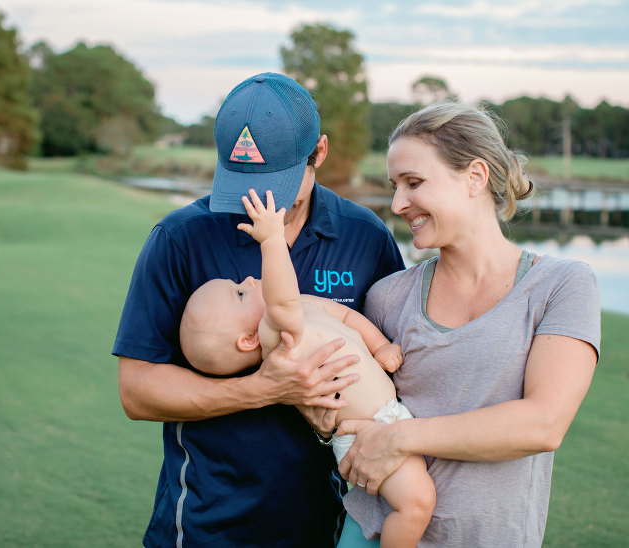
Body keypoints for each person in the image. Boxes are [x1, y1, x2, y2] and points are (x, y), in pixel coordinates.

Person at [112, 72, 405, 547]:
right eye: (245, 183)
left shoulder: (365, 236)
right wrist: (263, 389)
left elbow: (402, 366)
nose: (260, 201)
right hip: (206, 526)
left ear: (319, 153)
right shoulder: (180, 238)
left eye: (277, 183)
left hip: (326, 525)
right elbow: (137, 392)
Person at [335, 102, 601, 547]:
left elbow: (543, 423)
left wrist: (399, 438)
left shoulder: (561, 285)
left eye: (414, 183)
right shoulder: (387, 297)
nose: (398, 204)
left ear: (475, 176)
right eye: (395, 187)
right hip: (373, 535)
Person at [179, 188, 435, 547]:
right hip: (365, 435)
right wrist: (271, 240)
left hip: (388, 418)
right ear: (248, 340)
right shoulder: (278, 337)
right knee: (416, 504)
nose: (248, 280)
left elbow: (346, 316)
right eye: (239, 293)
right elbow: (280, 299)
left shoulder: (301, 305)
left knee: (417, 497)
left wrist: (380, 346)